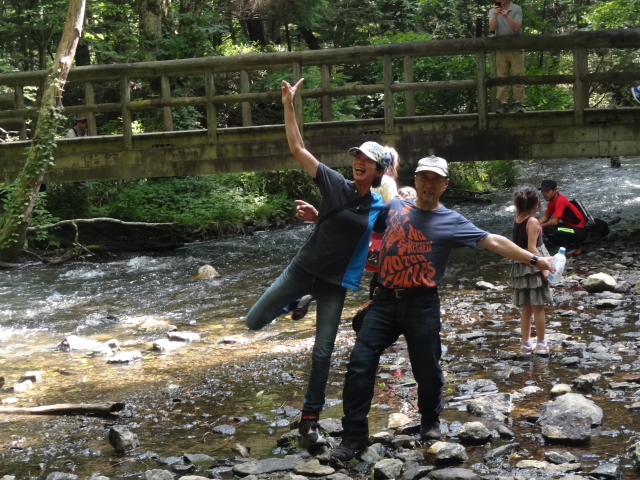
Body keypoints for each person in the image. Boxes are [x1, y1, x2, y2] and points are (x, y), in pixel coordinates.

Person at [329, 156, 554, 464]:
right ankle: (354, 437)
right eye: (424, 177)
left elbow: (494, 242)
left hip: (422, 303)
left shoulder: (452, 221)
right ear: (416, 180)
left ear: (445, 184)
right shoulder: (393, 207)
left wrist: (536, 259)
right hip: (383, 300)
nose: (429, 184)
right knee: (359, 363)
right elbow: (363, 224)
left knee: (428, 369)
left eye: (436, 179)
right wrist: (321, 218)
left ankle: (430, 422)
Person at [245, 78, 391, 445]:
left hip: (334, 285)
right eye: (357, 157)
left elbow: (380, 236)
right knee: (253, 321)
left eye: (367, 160)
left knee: (322, 353)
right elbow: (298, 148)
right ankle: (296, 301)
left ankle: (309, 419)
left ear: (378, 171)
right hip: (302, 270)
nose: (359, 162)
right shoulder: (335, 183)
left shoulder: (379, 206)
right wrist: (288, 105)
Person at [511, 184, 553, 356]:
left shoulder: (517, 219)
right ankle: (541, 343)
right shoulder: (533, 221)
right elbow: (532, 248)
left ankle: (526, 344)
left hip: (521, 266)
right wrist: (544, 269)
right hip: (534, 265)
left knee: (526, 307)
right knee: (538, 307)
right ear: (536, 203)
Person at [489, 0, 525, 114]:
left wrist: (506, 16)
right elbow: (492, 28)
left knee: (518, 75)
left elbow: (516, 27)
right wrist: (495, 15)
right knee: (501, 77)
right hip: (501, 49)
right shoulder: (492, 11)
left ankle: (518, 103)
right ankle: (504, 103)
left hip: (516, 48)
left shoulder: (516, 9)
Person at [538, 179, 587, 252]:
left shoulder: (560, 200)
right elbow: (546, 216)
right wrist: (535, 224)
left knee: (549, 228)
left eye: (547, 191)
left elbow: (555, 222)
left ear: (555, 190)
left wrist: (540, 226)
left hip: (579, 231)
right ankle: (567, 244)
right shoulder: (552, 202)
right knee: (547, 226)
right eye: (543, 192)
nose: (544, 194)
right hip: (571, 228)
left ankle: (568, 247)